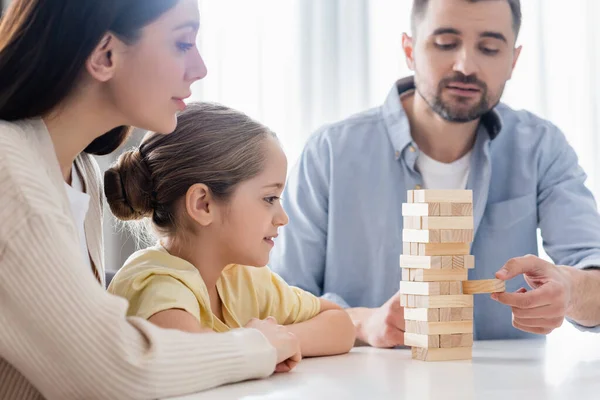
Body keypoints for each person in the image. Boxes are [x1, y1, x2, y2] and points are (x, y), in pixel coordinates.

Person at [0, 1, 301, 399]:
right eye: (182, 43)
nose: (200, 68)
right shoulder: (12, 179)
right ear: (105, 54)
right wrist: (258, 345)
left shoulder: (78, 171)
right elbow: (115, 370)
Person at [270, 0, 600, 349]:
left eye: (489, 49)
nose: (466, 66)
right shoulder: (330, 153)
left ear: (512, 61)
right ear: (409, 50)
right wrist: (362, 322)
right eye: (445, 43)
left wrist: (568, 290)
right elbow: (280, 302)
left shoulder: (541, 147)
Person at [105, 102, 356, 367]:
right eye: (269, 198)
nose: (283, 218)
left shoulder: (241, 278)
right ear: (204, 204)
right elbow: (193, 360)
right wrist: (260, 343)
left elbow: (341, 325)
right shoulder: (155, 285)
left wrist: (280, 341)